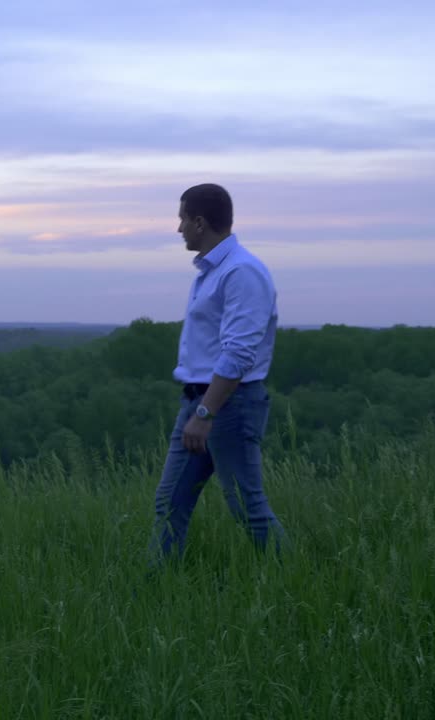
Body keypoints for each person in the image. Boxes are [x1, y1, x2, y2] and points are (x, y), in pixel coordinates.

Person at [149, 183, 287, 563]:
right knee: (169, 501)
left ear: (199, 222)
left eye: (181, 219)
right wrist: (198, 411)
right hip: (198, 403)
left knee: (247, 507)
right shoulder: (213, 271)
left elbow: (240, 353)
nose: (178, 229)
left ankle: (297, 579)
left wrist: (206, 414)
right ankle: (156, 588)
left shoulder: (242, 272)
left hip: (228, 404)